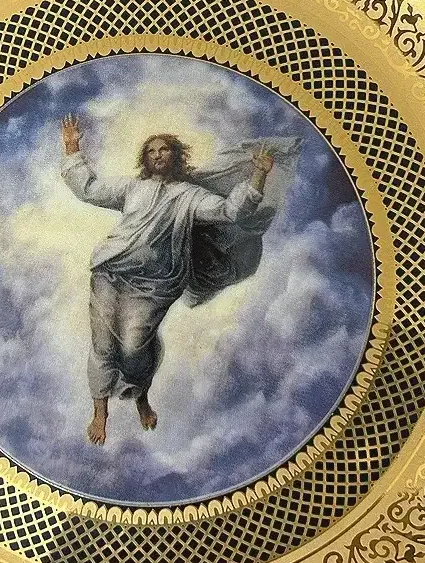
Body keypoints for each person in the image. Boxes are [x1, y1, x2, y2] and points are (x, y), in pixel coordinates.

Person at [60, 113, 276, 444]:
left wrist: (258, 175)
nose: (158, 155)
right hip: (110, 272)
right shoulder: (133, 188)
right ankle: (100, 412)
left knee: (133, 347)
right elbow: (89, 189)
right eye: (151, 151)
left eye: (164, 149)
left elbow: (230, 212)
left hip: (155, 286)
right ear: (145, 159)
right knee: (103, 344)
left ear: (175, 155)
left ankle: (141, 398)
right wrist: (72, 147)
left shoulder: (190, 196)